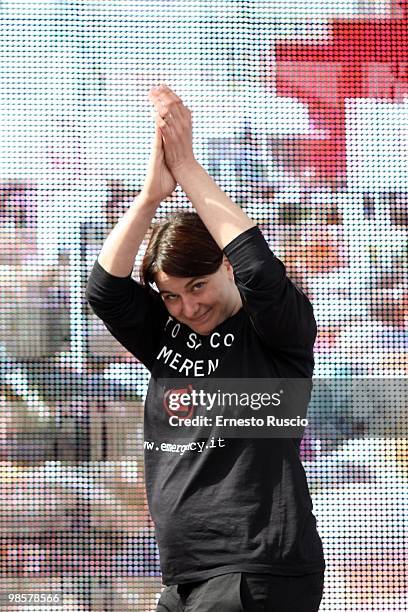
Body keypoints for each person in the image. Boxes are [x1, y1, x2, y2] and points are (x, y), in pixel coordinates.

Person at [85, 84, 325, 611]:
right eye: (170, 296)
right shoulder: (165, 336)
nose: (187, 308)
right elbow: (104, 288)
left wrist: (188, 169)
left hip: (256, 569)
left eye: (198, 287)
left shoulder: (275, 331)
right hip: (184, 575)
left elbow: (260, 269)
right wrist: (151, 195)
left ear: (226, 266)